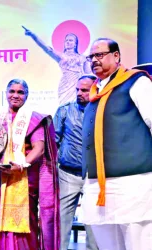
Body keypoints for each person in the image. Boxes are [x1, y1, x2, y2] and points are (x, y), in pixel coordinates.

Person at [81, 38, 152, 250]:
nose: (94, 60)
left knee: (138, 243)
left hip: (134, 184)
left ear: (117, 56)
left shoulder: (137, 82)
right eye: (91, 57)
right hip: (98, 186)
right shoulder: (95, 93)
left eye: (99, 55)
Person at [0, 79, 60, 250]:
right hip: (2, 180)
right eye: (12, 91)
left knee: (24, 226)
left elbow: (39, 148)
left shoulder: (33, 119)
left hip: (25, 180)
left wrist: (22, 164)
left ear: (27, 95)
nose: (15, 95)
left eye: (20, 92)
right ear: (6, 94)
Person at [53, 75, 98, 250]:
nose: (79, 93)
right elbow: (54, 140)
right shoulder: (64, 110)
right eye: (78, 89)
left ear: (95, 89)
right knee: (62, 221)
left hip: (93, 176)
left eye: (84, 90)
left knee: (94, 222)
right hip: (67, 174)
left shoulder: (102, 111)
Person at [23, 26, 91, 105]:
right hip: (65, 85)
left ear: (75, 44)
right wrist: (33, 36)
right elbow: (46, 48)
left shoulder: (82, 57)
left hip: (78, 84)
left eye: (70, 40)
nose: (68, 42)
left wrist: (88, 61)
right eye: (66, 41)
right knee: (65, 108)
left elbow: (87, 72)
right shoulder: (61, 56)